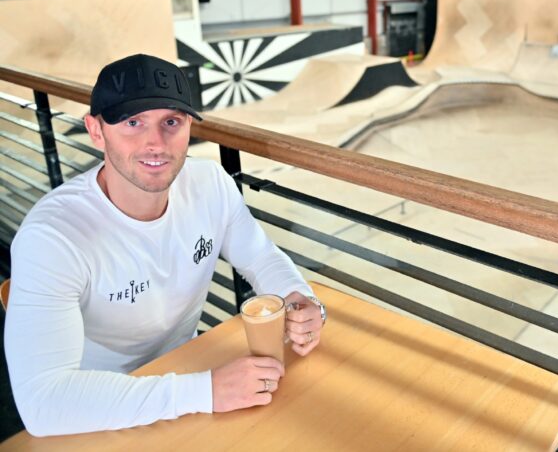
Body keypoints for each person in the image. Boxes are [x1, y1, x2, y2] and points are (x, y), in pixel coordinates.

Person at [4, 53, 326, 437]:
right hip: (97, 405)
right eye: (132, 122)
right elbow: (44, 403)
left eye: (170, 122)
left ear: (189, 125)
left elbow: (260, 255)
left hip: (188, 370)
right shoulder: (53, 237)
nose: (155, 143)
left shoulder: (211, 184)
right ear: (95, 130)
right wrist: (205, 390)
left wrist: (299, 299)